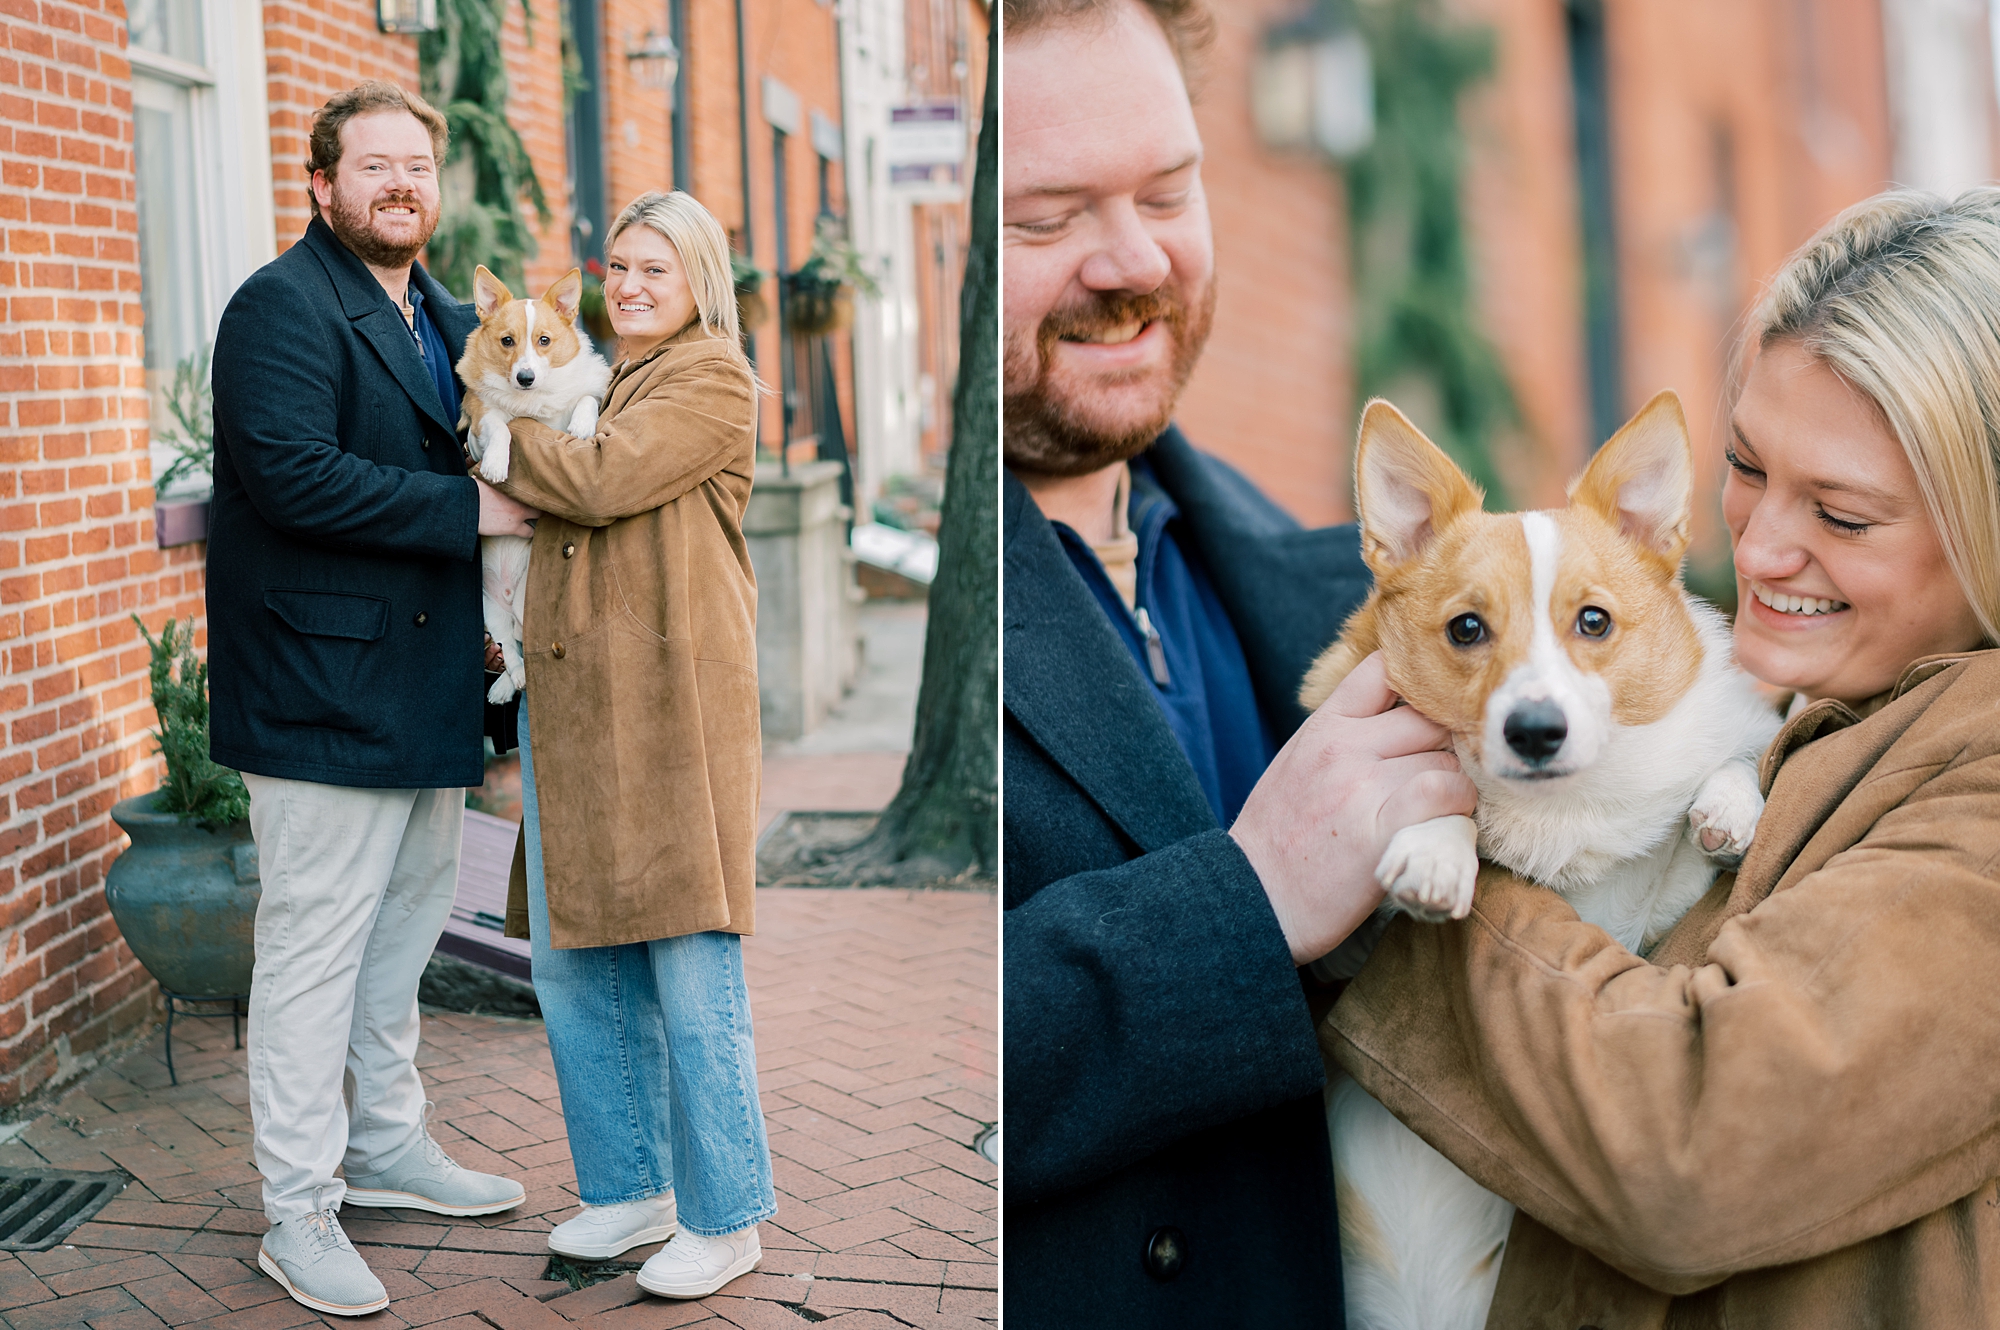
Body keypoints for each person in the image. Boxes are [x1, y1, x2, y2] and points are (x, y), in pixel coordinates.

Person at [1327, 190, 2000, 1328]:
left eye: (1839, 514)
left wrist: (1407, 870)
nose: (1758, 543)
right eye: (1743, 466)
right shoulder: (1812, 713)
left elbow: (1687, 1153)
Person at [1001, 0, 1477, 1322]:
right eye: (1046, 221)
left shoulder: (1332, 583)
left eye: (1169, 189)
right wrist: (1249, 903)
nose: (1132, 259)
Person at [207, 81, 539, 1318]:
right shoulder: (279, 308)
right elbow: (295, 479)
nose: (402, 184)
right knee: (309, 954)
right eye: (375, 166)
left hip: (428, 689)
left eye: (418, 166)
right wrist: (478, 511)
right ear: (321, 184)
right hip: (315, 691)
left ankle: (389, 1148)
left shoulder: (452, 320)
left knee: (400, 943)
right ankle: (297, 1211)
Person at [489, 190, 776, 1300]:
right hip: (571, 713)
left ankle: (727, 1212)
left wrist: (497, 443)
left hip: (665, 716)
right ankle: (631, 1185)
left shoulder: (710, 376)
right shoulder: (609, 375)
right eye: (618, 267)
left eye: (655, 266)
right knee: (574, 961)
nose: (632, 285)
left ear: (699, 277)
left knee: (688, 962)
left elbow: (602, 481)